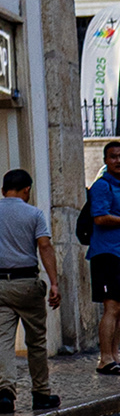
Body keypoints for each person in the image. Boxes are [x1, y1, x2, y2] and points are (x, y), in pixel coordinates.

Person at [0, 170, 61, 416]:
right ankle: (41, 393)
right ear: (27, 190)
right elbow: (44, 246)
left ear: (2, 190)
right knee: (36, 341)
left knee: (1, 341)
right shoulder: (34, 214)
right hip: (27, 284)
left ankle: (5, 393)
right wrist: (53, 283)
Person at [90, 137, 120, 374]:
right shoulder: (102, 186)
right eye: (113, 157)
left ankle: (116, 355)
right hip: (107, 253)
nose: (118, 161)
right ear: (106, 161)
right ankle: (105, 358)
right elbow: (99, 217)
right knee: (111, 307)